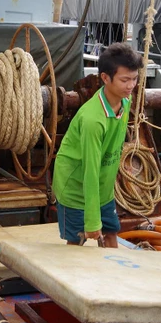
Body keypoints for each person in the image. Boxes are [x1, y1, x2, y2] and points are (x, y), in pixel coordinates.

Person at [52, 43, 141, 248]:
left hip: (102, 188)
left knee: (111, 234)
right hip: (75, 185)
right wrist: (92, 221)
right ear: (105, 78)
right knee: (77, 240)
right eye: (124, 80)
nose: (130, 86)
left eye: (134, 79)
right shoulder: (93, 119)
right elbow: (90, 170)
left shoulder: (125, 103)